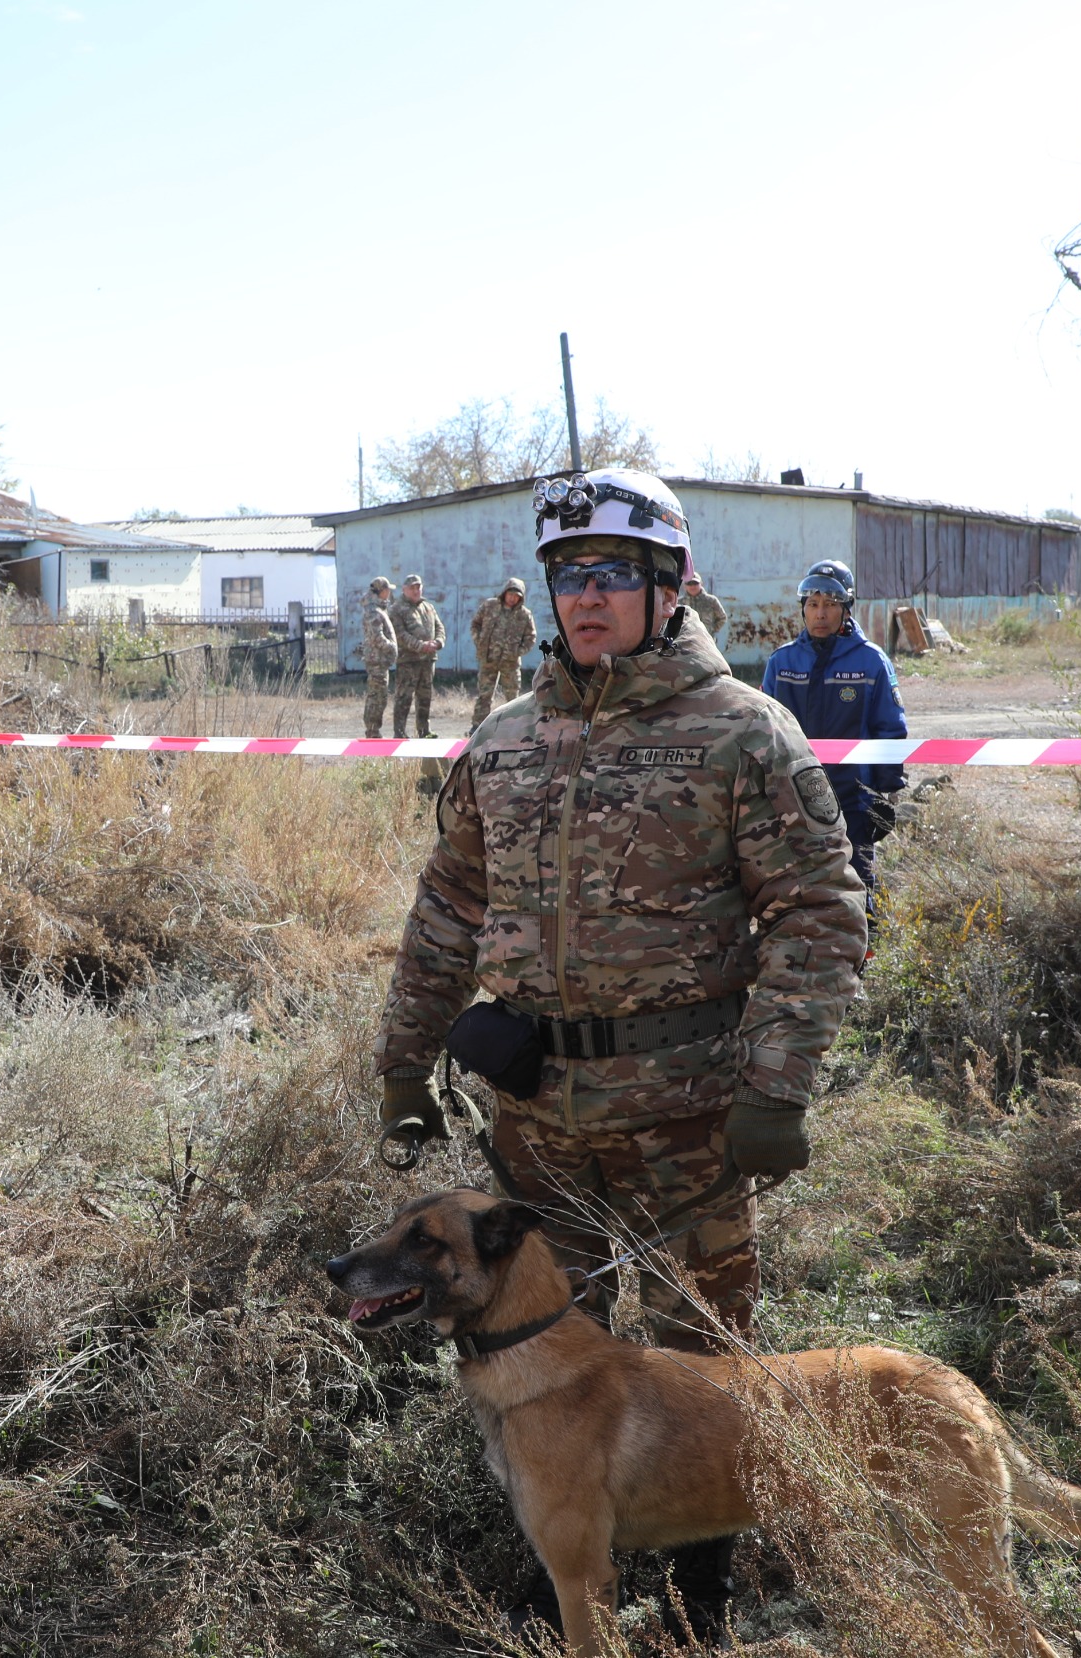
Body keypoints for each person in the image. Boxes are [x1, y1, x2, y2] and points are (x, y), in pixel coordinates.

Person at [372, 467, 866, 1636]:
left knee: (706, 1368)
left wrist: (775, 1086)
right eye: (566, 576)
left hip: (691, 1126)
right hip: (538, 1126)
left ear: (667, 583)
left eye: (609, 575)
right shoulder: (503, 740)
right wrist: (401, 1065)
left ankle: (700, 1597)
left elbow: (817, 911)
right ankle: (568, 1577)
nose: (584, 598)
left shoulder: (742, 731)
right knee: (540, 1359)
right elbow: (444, 911)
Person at [760, 560, 908, 893]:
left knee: (856, 884)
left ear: (846, 608)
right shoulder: (781, 662)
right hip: (792, 799)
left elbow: (890, 728)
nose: (820, 614)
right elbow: (763, 730)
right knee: (792, 886)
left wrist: (886, 791)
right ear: (803, 609)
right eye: (812, 605)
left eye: (829, 604)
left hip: (853, 799)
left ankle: (866, 945)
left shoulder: (871, 661)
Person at [468, 576, 538, 725]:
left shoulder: (524, 615)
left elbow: (531, 637)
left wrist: (518, 651)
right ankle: (478, 727)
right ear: (505, 592)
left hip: (510, 663)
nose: (512, 598)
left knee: (513, 699)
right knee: (484, 696)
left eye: (516, 596)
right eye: (510, 594)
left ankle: (515, 729)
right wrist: (479, 642)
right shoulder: (489, 606)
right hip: (488, 660)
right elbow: (475, 624)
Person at [390, 572, 446, 737]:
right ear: (404, 589)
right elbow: (399, 634)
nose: (416, 591)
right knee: (403, 698)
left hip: (428, 661)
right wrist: (421, 646)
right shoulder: (396, 609)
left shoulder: (428, 607)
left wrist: (438, 642)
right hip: (408, 661)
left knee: (425, 697)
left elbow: (439, 627)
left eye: (418, 587)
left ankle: (424, 731)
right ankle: (399, 733)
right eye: (412, 588)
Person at [360, 575, 399, 738]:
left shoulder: (378, 609)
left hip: (381, 661)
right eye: (388, 589)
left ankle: (374, 729)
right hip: (377, 661)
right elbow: (377, 637)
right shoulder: (373, 611)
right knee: (377, 696)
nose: (389, 593)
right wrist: (391, 647)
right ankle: (372, 730)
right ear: (382, 591)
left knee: (379, 695)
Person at [681, 571, 727, 647]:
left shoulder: (711, 601)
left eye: (695, 583)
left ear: (701, 584)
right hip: (686, 642)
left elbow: (722, 618)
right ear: (685, 586)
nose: (692, 586)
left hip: (707, 641)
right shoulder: (680, 602)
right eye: (689, 584)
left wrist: (712, 629)